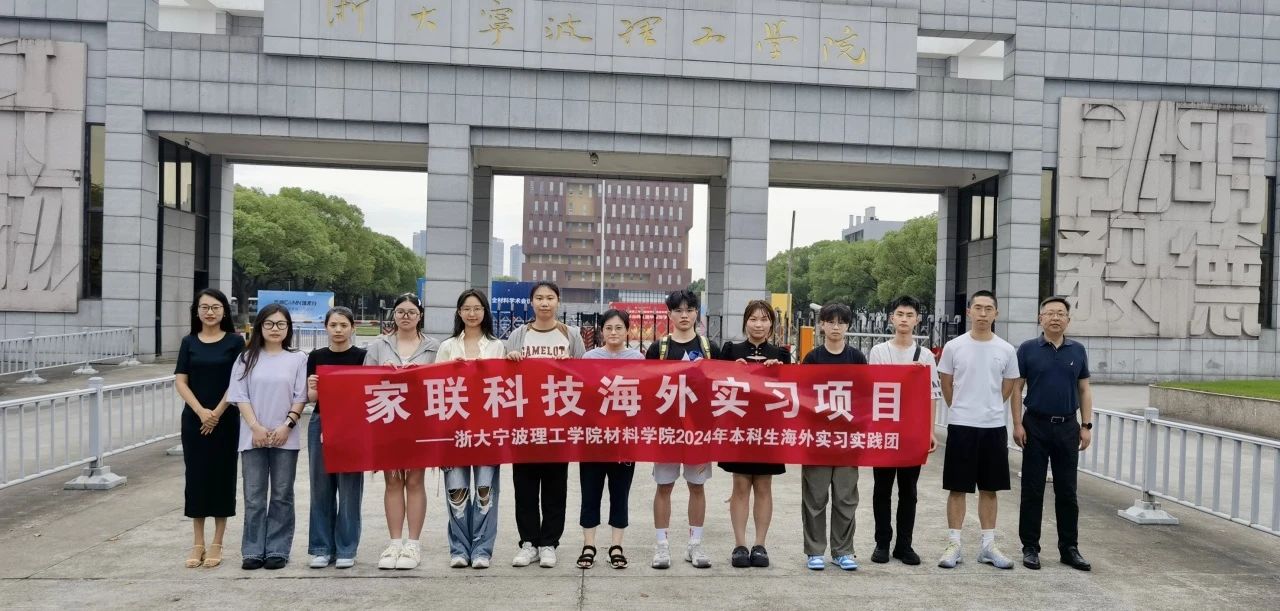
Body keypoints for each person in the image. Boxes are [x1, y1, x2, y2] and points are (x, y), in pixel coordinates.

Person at [936, 290, 1020, 570]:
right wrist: (962, 408)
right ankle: (954, 544)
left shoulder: (1006, 349)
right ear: (969, 311)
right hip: (961, 425)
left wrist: (989, 407)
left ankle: (988, 546)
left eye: (988, 309)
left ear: (996, 313)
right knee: (957, 488)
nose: (983, 313)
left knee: (990, 488)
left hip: (993, 426)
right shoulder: (954, 347)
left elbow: (1007, 387)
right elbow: (946, 384)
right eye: (978, 308)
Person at [505, 281, 586, 568]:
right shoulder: (518, 335)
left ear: (558, 301)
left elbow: (585, 375)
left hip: (559, 424)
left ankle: (549, 543)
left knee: (555, 486)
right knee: (525, 486)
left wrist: (571, 363)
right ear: (531, 302)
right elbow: (504, 380)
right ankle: (528, 542)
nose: (544, 303)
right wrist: (510, 359)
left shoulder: (570, 334)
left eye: (550, 297)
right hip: (525, 423)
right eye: (539, 298)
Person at [1012, 296, 1094, 572]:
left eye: (1060, 313)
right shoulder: (1027, 349)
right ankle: (1030, 547)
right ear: (1040, 319)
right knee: (1032, 489)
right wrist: (1017, 424)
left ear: (1068, 320)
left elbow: (1084, 389)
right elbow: (1016, 388)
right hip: (1035, 425)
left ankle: (1069, 548)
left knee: (1067, 491)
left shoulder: (1077, 350)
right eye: (1050, 313)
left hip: (1068, 427)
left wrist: (1086, 425)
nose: (1055, 317)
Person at [228, 304, 308, 570]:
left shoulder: (298, 359)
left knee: (282, 495)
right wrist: (255, 427)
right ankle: (252, 550)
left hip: (286, 437)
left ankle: (277, 549)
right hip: (253, 436)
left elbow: (300, 396)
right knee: (254, 496)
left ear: (288, 328)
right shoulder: (246, 358)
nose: (275, 329)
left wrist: (287, 425)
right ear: (260, 326)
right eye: (269, 324)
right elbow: (239, 396)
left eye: (281, 324)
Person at [364, 293, 440, 570]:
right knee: (393, 480)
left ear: (420, 316)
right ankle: (395, 542)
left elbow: (442, 382)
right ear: (393, 315)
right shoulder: (378, 346)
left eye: (411, 312)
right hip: (388, 420)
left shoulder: (433, 347)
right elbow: (363, 383)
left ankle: (413, 544)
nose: (405, 316)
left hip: (420, 422)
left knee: (415, 481)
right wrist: (382, 373)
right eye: (400, 312)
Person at [644, 288, 719, 570]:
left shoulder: (710, 347)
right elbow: (645, 386)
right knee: (664, 486)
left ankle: (694, 544)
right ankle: (661, 546)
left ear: (697, 313)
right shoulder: (658, 348)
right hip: (667, 430)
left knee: (696, 486)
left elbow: (723, 385)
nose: (684, 315)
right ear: (670, 314)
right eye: (678, 310)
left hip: (698, 431)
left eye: (689, 310)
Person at [866, 296, 942, 566]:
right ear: (891, 318)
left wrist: (930, 431)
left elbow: (932, 395)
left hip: (913, 430)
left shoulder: (926, 356)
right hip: (885, 429)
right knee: (882, 488)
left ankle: (904, 544)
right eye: (900, 314)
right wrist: (906, 373)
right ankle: (882, 542)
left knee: (909, 490)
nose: (904, 319)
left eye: (910, 315)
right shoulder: (878, 351)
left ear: (917, 320)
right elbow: (874, 385)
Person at [715, 300, 790, 569]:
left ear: (772, 324)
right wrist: (730, 370)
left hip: (769, 428)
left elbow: (791, 392)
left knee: (764, 485)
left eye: (764, 319)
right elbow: (715, 386)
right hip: (738, 428)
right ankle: (739, 545)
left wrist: (778, 371)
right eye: (753, 319)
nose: (758, 325)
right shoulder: (730, 350)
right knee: (740, 485)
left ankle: (760, 545)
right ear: (745, 322)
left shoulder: (781, 354)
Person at [436, 289, 506, 570]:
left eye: (477, 308)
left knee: (485, 491)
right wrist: (450, 371)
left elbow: (505, 385)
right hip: (454, 430)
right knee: (457, 491)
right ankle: (459, 549)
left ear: (485, 312)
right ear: (459, 312)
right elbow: (433, 387)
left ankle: (482, 550)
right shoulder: (447, 347)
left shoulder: (497, 346)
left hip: (487, 430)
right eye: (466, 308)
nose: (472, 313)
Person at [174, 288, 243, 569]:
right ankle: (197, 541)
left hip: (225, 420)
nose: (210, 312)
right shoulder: (188, 342)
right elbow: (181, 381)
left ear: (224, 311)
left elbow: (238, 380)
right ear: (197, 311)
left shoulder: (235, 342)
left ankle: (217, 541)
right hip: (195, 421)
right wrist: (201, 411)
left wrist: (216, 412)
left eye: (215, 307)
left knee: (222, 478)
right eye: (204, 307)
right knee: (196, 478)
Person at [800, 302, 866, 571]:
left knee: (845, 498)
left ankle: (843, 551)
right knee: (815, 498)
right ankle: (815, 551)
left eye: (841, 322)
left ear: (848, 326)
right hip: (818, 440)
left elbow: (865, 396)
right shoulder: (812, 359)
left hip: (848, 441)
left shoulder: (857, 358)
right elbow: (802, 396)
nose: (836, 327)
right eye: (830, 322)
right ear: (822, 325)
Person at [577, 309, 644, 570]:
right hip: (593, 438)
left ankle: (616, 546)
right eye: (608, 328)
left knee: (620, 493)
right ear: (601, 331)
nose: (613, 333)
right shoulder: (589, 358)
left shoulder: (637, 358)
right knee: (590, 492)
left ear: (627, 330)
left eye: (618, 328)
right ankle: (589, 545)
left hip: (624, 440)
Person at [305, 307, 368, 570]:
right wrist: (313, 388)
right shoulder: (316, 356)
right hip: (322, 421)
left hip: (352, 425)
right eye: (333, 325)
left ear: (353, 327)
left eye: (343, 325)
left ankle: (346, 548)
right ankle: (321, 548)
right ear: (326, 327)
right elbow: (311, 399)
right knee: (321, 487)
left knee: (350, 489)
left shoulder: (363, 357)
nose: (338, 330)